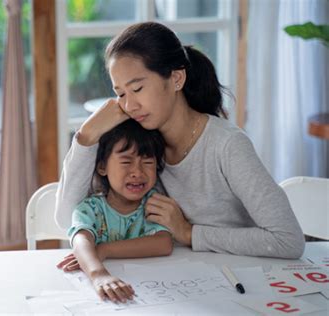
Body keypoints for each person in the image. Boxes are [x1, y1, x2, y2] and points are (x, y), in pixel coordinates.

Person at [55, 22, 305, 264]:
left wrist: (188, 233)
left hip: (245, 281)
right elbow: (68, 218)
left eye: (138, 88)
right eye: (121, 94)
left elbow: (288, 240)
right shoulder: (143, 146)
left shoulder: (227, 145)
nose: (129, 105)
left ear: (176, 79)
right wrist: (85, 137)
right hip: (182, 279)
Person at [57, 119, 173, 303]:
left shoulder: (153, 203)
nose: (137, 172)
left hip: (148, 293)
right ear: (102, 167)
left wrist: (104, 250)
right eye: (126, 161)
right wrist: (98, 274)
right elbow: (81, 240)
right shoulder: (91, 208)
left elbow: (164, 243)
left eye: (148, 162)